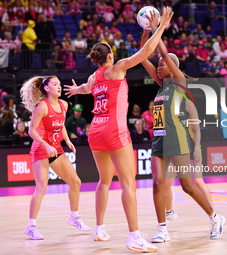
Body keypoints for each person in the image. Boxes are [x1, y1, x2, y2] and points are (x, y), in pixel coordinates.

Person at [64, 7, 173, 252]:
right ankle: (134, 236)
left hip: (95, 132)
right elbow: (146, 51)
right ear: (110, 55)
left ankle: (99, 229)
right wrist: (162, 25)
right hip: (114, 130)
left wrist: (75, 91)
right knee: (128, 185)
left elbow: (84, 87)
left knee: (104, 181)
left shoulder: (95, 76)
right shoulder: (118, 68)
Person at [140, 17, 225, 243]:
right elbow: (142, 55)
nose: (158, 65)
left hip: (178, 140)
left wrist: (159, 29)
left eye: (161, 64)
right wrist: (146, 31)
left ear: (172, 67)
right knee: (157, 184)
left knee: (187, 186)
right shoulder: (161, 87)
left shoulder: (178, 83)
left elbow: (165, 54)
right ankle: (162, 229)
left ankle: (215, 217)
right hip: (159, 141)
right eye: (157, 64)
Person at [20, 75, 89, 240]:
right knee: (41, 187)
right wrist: (46, 145)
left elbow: (61, 125)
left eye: (59, 84)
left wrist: (67, 140)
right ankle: (31, 226)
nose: (59, 87)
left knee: (76, 182)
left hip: (56, 148)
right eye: (55, 84)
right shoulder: (42, 107)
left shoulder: (64, 104)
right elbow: (32, 131)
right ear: (46, 88)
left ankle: (74, 216)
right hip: (40, 149)